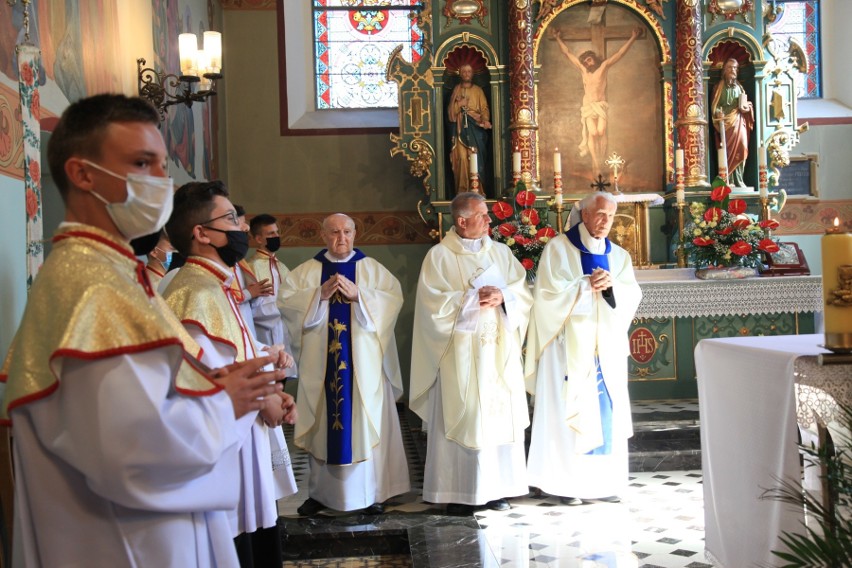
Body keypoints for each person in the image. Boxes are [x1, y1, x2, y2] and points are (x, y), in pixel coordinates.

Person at [0, 94, 285, 567]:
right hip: (126, 542)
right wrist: (225, 404)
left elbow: (136, 398)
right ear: (82, 174)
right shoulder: (91, 286)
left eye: (161, 165)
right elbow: (132, 453)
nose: (160, 181)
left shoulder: (108, 272)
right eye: (141, 163)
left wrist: (215, 387)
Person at [162, 180, 297, 568]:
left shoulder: (215, 284)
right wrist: (264, 399)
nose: (241, 228)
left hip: (245, 439)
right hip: (227, 449)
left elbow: (236, 352)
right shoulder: (194, 292)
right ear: (201, 233)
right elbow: (200, 378)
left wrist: (272, 386)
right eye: (230, 219)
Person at [410, 192, 532, 515]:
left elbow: (522, 292)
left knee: (495, 416)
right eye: (483, 215)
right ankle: (460, 491)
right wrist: (471, 301)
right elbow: (430, 307)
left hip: (496, 354)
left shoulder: (502, 253)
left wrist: (503, 296)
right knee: (466, 415)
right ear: (462, 221)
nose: (490, 220)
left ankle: (497, 489)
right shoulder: (438, 257)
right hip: (458, 359)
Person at [280, 213, 410, 516]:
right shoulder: (306, 273)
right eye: (335, 232)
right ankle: (321, 495)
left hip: (363, 367)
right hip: (322, 368)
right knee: (324, 419)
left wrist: (360, 296)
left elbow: (392, 301)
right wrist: (318, 296)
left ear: (355, 233)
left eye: (348, 232)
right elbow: (286, 303)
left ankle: (370, 494)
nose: (342, 238)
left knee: (362, 420)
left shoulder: (372, 270)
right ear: (323, 236)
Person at [524, 192, 642, 505]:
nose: (605, 222)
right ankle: (566, 485)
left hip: (605, 347)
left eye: (611, 217)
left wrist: (612, 286)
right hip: (567, 348)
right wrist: (584, 286)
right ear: (585, 215)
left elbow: (630, 296)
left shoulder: (618, 255)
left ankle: (603, 483)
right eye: (600, 214)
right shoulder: (558, 249)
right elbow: (546, 297)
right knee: (569, 408)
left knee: (607, 410)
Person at [551, 27, 640, 176]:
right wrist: (558, 38)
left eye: (589, 59)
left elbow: (620, 54)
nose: (587, 62)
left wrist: (633, 37)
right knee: (592, 133)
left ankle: (602, 157)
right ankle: (596, 163)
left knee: (600, 131)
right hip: (588, 106)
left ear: (594, 59)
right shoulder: (583, 71)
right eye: (585, 61)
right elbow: (568, 54)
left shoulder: (603, 67)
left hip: (600, 105)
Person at [247, 213, 297, 377]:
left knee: (282, 380)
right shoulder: (251, 268)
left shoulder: (282, 267)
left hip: (284, 333)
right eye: (270, 234)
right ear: (258, 238)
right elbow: (249, 309)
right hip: (263, 335)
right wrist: (284, 307)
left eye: (277, 232)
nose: (276, 236)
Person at [448, 63, 492, 194]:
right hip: (460, 128)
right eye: (464, 71)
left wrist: (484, 119)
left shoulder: (478, 90)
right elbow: (450, 113)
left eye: (469, 71)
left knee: (475, 157)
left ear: (472, 74)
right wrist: (459, 104)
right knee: (461, 158)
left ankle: (477, 190)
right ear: (460, 74)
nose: (466, 74)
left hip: (475, 128)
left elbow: (484, 108)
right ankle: (462, 191)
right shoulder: (456, 89)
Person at [711, 58, 754, 188]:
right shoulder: (719, 86)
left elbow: (745, 104)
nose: (733, 70)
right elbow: (715, 106)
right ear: (724, 70)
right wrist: (719, 113)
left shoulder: (740, 87)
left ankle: (739, 179)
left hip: (739, 121)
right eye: (730, 67)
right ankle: (727, 179)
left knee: (742, 147)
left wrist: (747, 107)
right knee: (727, 151)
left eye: (735, 68)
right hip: (726, 123)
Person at [231, 204, 272, 339]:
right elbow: (222, 297)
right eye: (240, 224)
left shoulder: (240, 262)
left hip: (247, 319)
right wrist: (249, 293)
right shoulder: (223, 265)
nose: (246, 228)